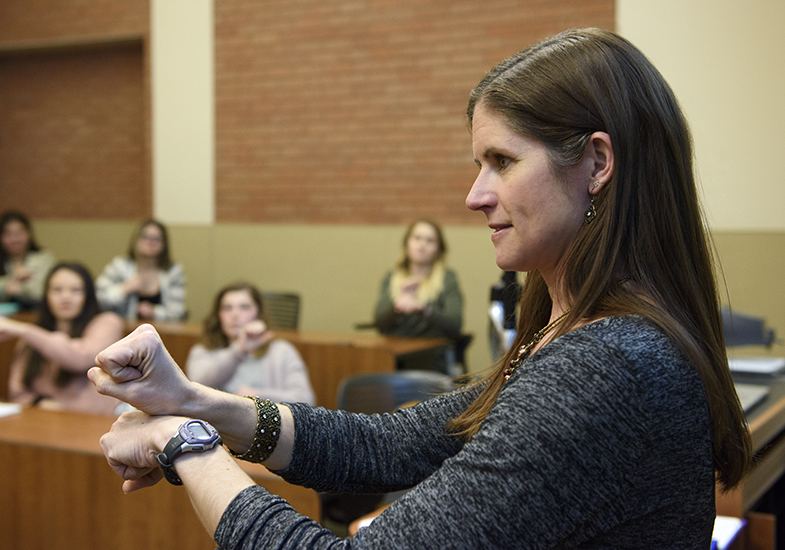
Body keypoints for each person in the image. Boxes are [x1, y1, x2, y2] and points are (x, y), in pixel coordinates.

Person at [89, 28, 751, 548]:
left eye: (502, 161)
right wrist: (194, 401)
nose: (474, 195)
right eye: (477, 165)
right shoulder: (579, 336)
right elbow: (382, 445)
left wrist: (182, 443)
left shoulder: (606, 369)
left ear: (596, 164)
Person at [0, 262, 124, 415]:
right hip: (44, 422)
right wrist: (38, 402)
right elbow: (18, 390)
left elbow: (80, 357)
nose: (66, 297)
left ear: (88, 295)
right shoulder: (34, 335)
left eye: (75, 290)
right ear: (46, 295)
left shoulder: (107, 322)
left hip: (94, 423)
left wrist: (24, 330)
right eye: (57, 290)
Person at [186, 282, 315, 405]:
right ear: (218, 315)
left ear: (258, 312)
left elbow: (306, 400)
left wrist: (257, 396)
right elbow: (196, 391)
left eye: (244, 307)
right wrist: (238, 350)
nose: (235, 314)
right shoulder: (202, 352)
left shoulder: (281, 351)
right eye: (227, 308)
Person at [373, 219, 464, 372]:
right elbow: (379, 322)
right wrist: (397, 306)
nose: (422, 245)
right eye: (417, 238)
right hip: (394, 357)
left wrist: (424, 309)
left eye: (430, 240)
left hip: (431, 361)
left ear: (438, 248)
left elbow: (455, 324)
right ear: (407, 243)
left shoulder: (447, 278)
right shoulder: (391, 277)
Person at [96, 219, 186, 322]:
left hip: (161, 333)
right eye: (145, 236)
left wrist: (154, 312)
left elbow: (177, 313)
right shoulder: (119, 267)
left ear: (164, 244)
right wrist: (124, 288)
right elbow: (98, 300)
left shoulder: (173, 272)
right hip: (124, 331)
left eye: (156, 238)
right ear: (136, 239)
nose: (150, 242)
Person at [0, 211, 55, 311]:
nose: (15, 238)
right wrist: (11, 280)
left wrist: (20, 290)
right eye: (8, 233)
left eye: (19, 232)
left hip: (35, 313)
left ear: (29, 233)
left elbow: (45, 293)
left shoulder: (43, 258)